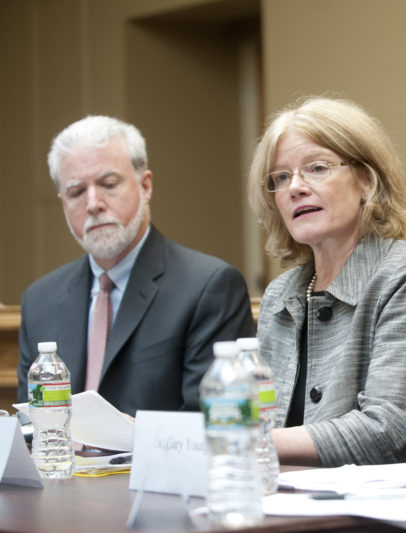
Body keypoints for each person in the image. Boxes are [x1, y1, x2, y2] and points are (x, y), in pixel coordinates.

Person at [247, 96, 406, 467]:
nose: (295, 187)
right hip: (291, 493)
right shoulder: (280, 295)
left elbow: (386, 430)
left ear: (366, 180)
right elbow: (260, 419)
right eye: (281, 177)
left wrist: (237, 440)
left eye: (317, 168)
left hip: (400, 498)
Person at [17, 115, 255, 416]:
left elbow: (210, 421)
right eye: (77, 192)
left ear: (145, 186)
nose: (93, 203)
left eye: (108, 184)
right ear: (63, 202)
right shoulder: (40, 301)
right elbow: (31, 424)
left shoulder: (209, 287)